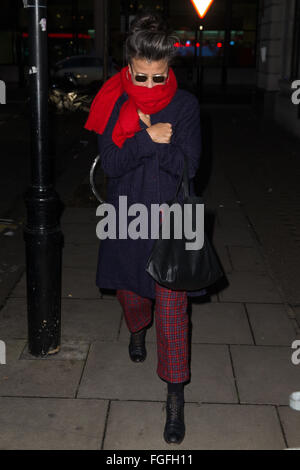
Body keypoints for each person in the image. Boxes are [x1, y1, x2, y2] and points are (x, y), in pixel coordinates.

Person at [84, 11, 207, 445]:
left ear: (169, 68)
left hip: (173, 218)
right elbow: (111, 166)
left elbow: (191, 167)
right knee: (131, 294)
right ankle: (137, 328)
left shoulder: (186, 106)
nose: (151, 86)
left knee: (173, 316)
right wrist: (141, 138)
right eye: (142, 76)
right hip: (126, 216)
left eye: (160, 77)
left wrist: (164, 139)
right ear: (128, 66)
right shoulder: (112, 102)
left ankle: (175, 396)